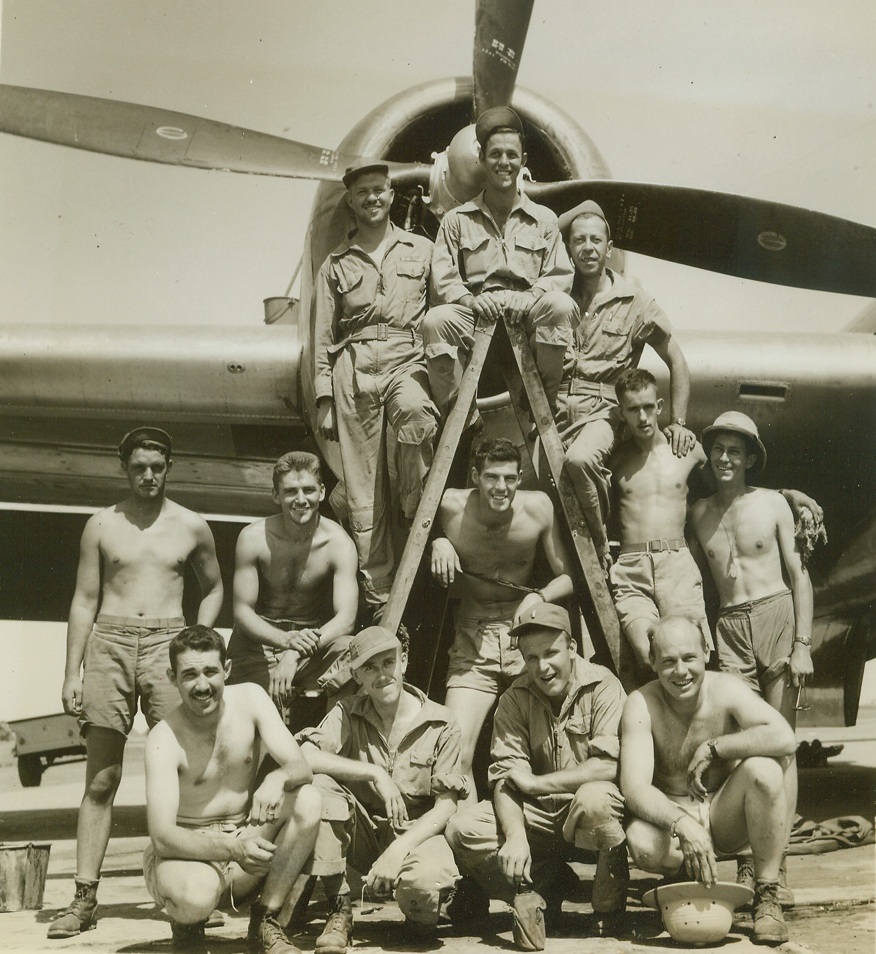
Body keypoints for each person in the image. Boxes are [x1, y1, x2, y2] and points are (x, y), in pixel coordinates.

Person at [48, 426, 224, 940]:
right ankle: (84, 898)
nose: (148, 475)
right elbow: (84, 600)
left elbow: (213, 587)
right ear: (124, 468)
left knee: (187, 770)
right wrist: (71, 672)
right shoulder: (101, 524)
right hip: (110, 644)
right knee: (101, 779)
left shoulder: (192, 525)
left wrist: (200, 639)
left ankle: (192, 891)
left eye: (157, 466)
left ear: (170, 466)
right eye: (138, 467)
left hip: (170, 645)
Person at [446, 603, 629, 950]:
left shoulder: (603, 685)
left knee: (597, 799)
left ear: (572, 648)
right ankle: (547, 884)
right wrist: (514, 835)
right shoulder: (515, 698)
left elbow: (608, 766)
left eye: (551, 653)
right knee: (462, 828)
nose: (542, 667)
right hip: (539, 820)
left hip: (584, 815)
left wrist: (538, 784)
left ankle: (609, 906)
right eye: (531, 658)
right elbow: (504, 776)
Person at [689, 411, 813, 900]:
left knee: (782, 743)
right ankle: (749, 856)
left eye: (735, 452)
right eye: (718, 450)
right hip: (730, 626)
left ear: (750, 458)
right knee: (743, 739)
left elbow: (799, 576)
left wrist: (802, 645)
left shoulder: (774, 504)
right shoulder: (698, 513)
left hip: (777, 615)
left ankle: (775, 867)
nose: (725, 458)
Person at [143, 625, 321, 953]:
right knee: (195, 896)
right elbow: (163, 837)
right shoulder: (163, 738)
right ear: (172, 678)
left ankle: (266, 921)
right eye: (189, 675)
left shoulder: (251, 698)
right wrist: (233, 849)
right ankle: (187, 926)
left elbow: (301, 767)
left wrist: (276, 778)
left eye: (211, 671)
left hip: (244, 846)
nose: (202, 685)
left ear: (226, 669)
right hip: (188, 856)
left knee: (307, 800)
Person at [621, 616, 798, 945]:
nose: (681, 671)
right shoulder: (641, 703)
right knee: (641, 842)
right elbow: (634, 788)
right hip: (674, 819)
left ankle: (767, 893)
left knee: (766, 770)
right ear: (653, 663)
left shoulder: (727, 688)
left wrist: (716, 747)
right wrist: (682, 823)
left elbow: (784, 737)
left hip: (723, 811)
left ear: (706, 652)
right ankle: (686, 873)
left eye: (689, 658)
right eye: (669, 661)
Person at [314, 159, 439, 613]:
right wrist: (325, 396)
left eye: (378, 190)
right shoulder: (335, 265)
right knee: (363, 497)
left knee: (416, 415)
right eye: (362, 191)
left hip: (408, 359)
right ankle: (382, 604)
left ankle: (413, 513)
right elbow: (323, 336)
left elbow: (445, 315)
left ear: (392, 196)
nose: (371, 198)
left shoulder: (424, 251)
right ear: (351, 201)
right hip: (354, 370)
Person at [295, 625, 467, 952]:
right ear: (356, 675)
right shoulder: (347, 711)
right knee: (317, 788)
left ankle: (417, 914)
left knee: (423, 887)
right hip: (361, 834)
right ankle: (339, 910)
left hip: (417, 835)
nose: (381, 674)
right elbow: (305, 756)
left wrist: (398, 851)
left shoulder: (442, 722)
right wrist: (374, 772)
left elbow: (446, 806)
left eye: (388, 662)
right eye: (369, 667)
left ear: (404, 662)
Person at [554, 199, 696, 564]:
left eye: (596, 241)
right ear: (569, 248)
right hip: (553, 410)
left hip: (603, 411)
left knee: (581, 461)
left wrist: (679, 422)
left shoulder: (636, 301)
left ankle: (599, 547)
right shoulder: (555, 297)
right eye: (579, 240)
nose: (588, 248)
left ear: (609, 248)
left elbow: (675, 357)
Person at [431, 438, 573, 800]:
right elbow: (413, 533)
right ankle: (467, 838)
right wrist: (438, 541)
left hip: (523, 636)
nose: (501, 488)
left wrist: (538, 595)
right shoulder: (449, 506)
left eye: (509, 478)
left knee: (548, 749)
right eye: (492, 478)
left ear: (520, 476)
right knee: (454, 751)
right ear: (476, 476)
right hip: (472, 635)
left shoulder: (538, 509)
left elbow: (568, 577)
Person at [424, 106, 576, 419]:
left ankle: (543, 403)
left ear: (523, 161)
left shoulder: (545, 220)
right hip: (477, 317)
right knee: (435, 322)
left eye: (511, 154)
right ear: (481, 158)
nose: (503, 163)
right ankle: (460, 417)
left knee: (560, 306)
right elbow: (443, 277)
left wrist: (531, 296)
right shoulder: (455, 220)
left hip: (528, 315)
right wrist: (470, 300)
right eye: (495, 154)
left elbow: (559, 274)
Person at [226, 452, 359, 727]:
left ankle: (331, 742)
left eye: (309, 490)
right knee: (241, 723)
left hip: (311, 644)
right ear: (276, 495)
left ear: (322, 492)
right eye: (290, 492)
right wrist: (285, 641)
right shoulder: (253, 537)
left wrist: (295, 651)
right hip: (257, 643)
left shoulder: (338, 543)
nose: (301, 500)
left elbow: (346, 619)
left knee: (349, 652)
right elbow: (241, 612)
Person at [608, 368, 711, 677]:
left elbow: (729, 490)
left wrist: (787, 494)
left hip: (676, 563)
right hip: (631, 566)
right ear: (621, 412)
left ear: (661, 406)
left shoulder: (688, 451)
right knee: (646, 652)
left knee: (688, 656)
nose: (642, 417)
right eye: (633, 409)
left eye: (648, 407)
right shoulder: (613, 459)